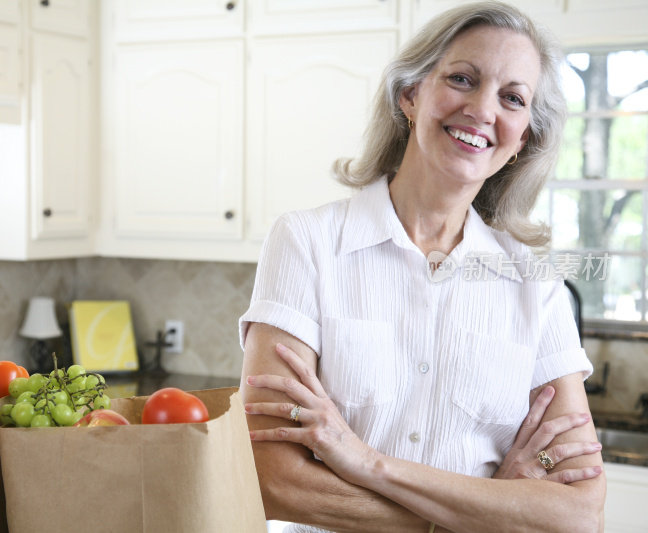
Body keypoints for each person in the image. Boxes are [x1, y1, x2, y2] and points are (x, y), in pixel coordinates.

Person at [238, 2, 606, 532]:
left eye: (512, 98)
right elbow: (272, 478)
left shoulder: (535, 283)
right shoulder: (307, 242)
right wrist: (489, 506)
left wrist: (367, 464)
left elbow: (577, 514)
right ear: (410, 94)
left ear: (522, 137)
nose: (482, 109)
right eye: (462, 78)